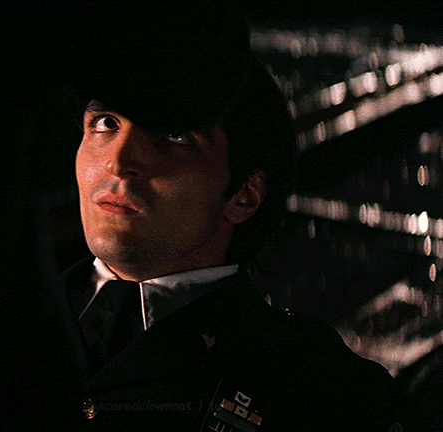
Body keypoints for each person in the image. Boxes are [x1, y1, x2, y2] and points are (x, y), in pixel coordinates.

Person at [54, 2, 404, 431]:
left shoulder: (324, 388)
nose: (118, 161)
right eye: (106, 123)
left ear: (244, 195)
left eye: (174, 135)